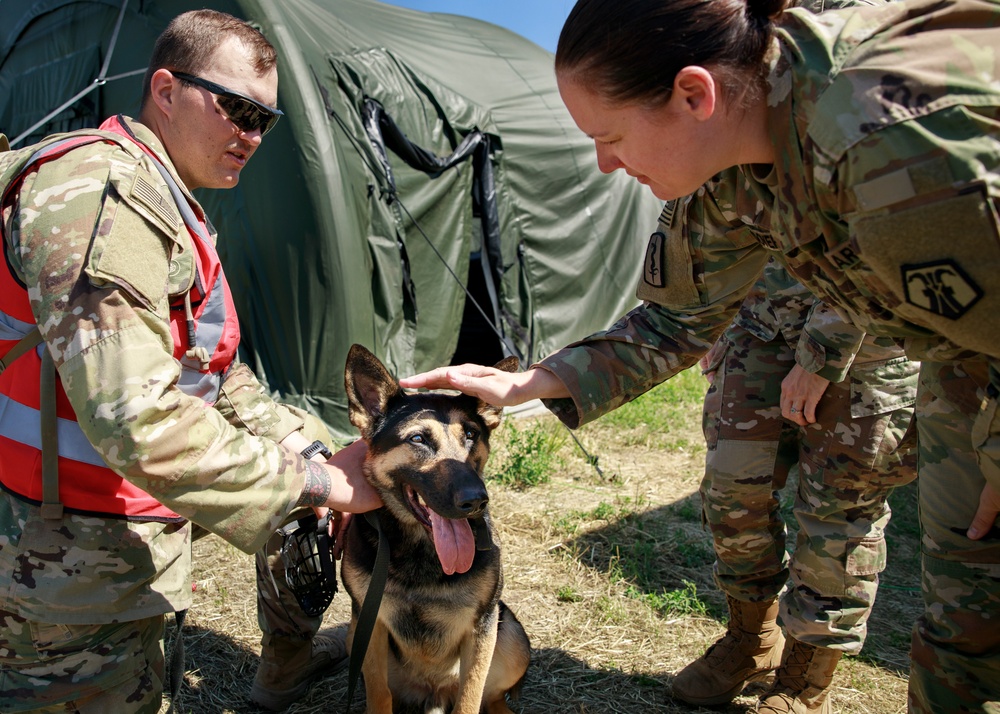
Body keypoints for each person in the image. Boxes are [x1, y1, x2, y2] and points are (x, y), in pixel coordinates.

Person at [400, 0, 1000, 711]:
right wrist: (533, 381)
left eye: (611, 135)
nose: (605, 163)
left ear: (693, 94)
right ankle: (756, 639)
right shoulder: (724, 162)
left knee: (976, 601)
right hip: (961, 352)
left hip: (970, 354)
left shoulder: (891, 139)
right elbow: (680, 316)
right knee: (966, 617)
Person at [0, 10, 380, 713]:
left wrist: (312, 447)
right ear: (166, 90)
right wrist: (320, 483)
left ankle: (286, 665)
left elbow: (213, 371)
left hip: (101, 540)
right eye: (237, 109)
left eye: (267, 121)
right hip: (56, 570)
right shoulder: (104, 197)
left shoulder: (168, 202)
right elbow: (136, 418)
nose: (253, 137)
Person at [672, 257, 918, 710]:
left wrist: (820, 355)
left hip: (868, 343)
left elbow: (872, 242)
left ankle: (804, 681)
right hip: (761, 321)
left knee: (840, 515)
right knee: (732, 491)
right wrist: (711, 316)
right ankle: (753, 641)